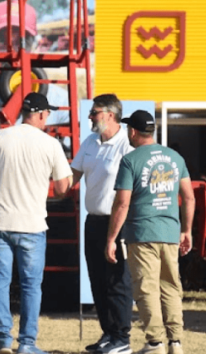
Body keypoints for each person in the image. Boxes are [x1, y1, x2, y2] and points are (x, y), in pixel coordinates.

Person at [0, 92, 74, 354]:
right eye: (47, 114)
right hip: (31, 225)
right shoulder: (50, 144)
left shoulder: (0, 135)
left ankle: (3, 341)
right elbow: (63, 188)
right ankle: (27, 344)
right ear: (41, 114)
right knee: (31, 285)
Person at [106, 110, 195, 354]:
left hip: (142, 233)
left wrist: (112, 238)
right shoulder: (175, 157)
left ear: (133, 132)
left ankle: (154, 343)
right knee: (170, 287)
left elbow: (122, 203)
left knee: (146, 288)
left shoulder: (130, 160)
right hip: (170, 232)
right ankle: (175, 342)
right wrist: (187, 230)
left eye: (128, 129)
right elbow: (189, 197)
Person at [71, 94, 134, 354]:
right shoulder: (89, 142)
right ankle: (108, 334)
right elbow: (70, 178)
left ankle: (122, 338)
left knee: (118, 280)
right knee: (97, 279)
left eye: (94, 112)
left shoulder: (127, 145)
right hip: (93, 220)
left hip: (117, 220)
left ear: (109, 114)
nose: (89, 116)